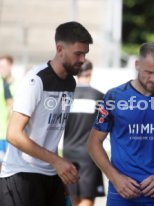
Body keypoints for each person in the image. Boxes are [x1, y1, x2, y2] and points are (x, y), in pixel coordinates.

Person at [87, 42, 154, 206]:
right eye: (149, 72)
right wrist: (115, 178)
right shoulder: (114, 97)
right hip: (122, 193)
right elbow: (93, 143)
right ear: (137, 65)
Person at [0, 21, 93, 206]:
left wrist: (57, 169)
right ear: (60, 49)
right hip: (22, 175)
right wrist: (56, 161)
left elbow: (50, 131)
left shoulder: (70, 83)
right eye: (78, 53)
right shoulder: (36, 80)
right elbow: (13, 134)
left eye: (85, 54)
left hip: (50, 175)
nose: (83, 59)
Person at [63, 59, 105, 206]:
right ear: (90, 72)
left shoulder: (66, 96)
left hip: (68, 151)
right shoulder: (99, 97)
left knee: (73, 197)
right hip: (89, 153)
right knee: (87, 197)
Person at [0, 55, 14, 165]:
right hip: (1, 134)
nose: (1, 69)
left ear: (10, 67)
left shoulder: (18, 84)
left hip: (11, 134)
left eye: (3, 66)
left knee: (9, 166)